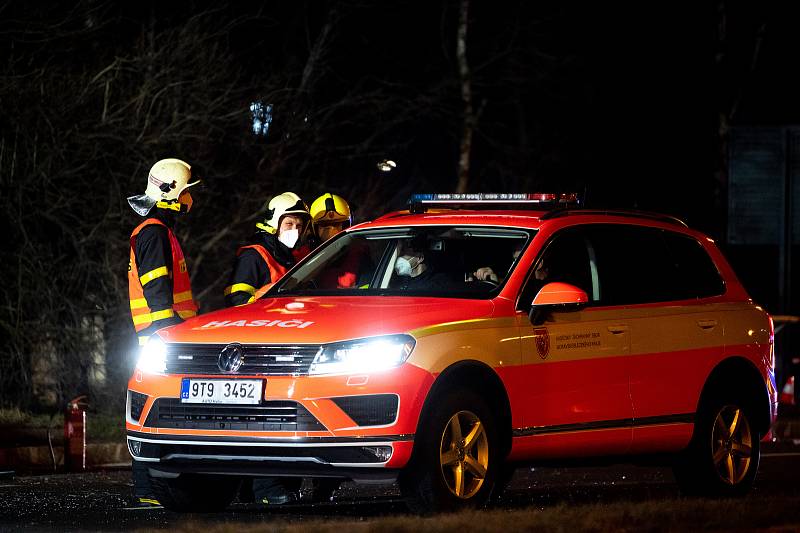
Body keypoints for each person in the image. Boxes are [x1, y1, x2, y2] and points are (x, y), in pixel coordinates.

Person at [127, 157, 200, 507]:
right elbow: (157, 291)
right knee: (155, 414)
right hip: (162, 337)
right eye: (185, 193)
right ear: (169, 193)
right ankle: (148, 490)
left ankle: (153, 488)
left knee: (158, 413)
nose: (188, 200)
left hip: (162, 337)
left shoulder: (157, 230)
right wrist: (170, 337)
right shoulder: (154, 233)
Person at [224, 192, 311, 307]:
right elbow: (235, 300)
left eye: (299, 226)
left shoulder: (294, 257)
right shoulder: (253, 256)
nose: (295, 230)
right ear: (275, 224)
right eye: (289, 224)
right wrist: (263, 301)